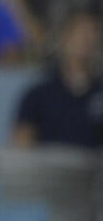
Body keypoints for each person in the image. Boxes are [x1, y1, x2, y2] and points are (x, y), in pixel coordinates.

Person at [12, 11, 103, 148]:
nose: (86, 41)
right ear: (64, 39)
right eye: (80, 35)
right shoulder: (38, 95)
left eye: (93, 34)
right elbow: (21, 144)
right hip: (50, 166)